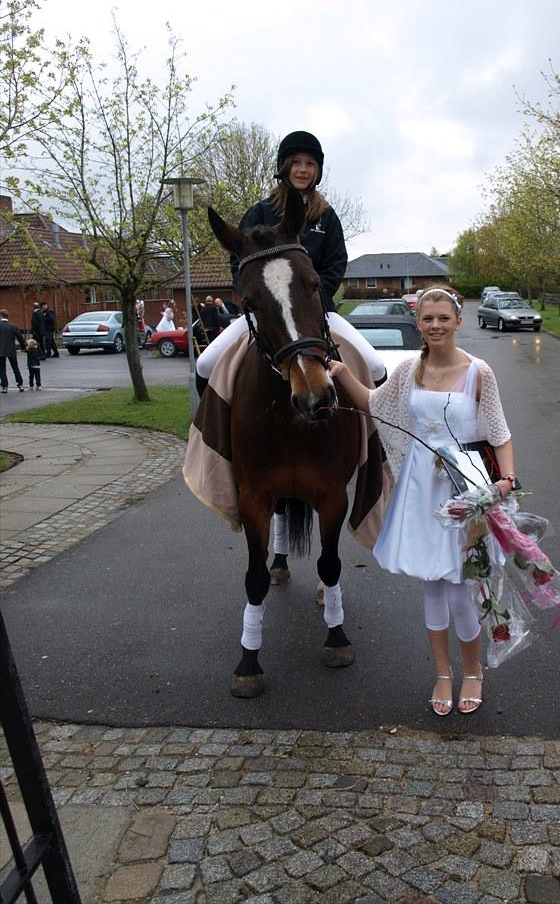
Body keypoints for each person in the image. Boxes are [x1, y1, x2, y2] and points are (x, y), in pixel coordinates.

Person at [330, 288, 515, 717]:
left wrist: (504, 481)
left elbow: (500, 433)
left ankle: (472, 671)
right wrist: (341, 373)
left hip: (463, 489)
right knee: (432, 585)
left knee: (460, 587)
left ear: (457, 321)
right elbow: (375, 406)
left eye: (443, 318)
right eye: (428, 318)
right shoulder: (409, 371)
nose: (435, 325)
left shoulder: (479, 373)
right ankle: (442, 673)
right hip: (420, 491)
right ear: (418, 323)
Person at [195, 130, 386, 387]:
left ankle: (373, 426)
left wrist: (317, 298)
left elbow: (336, 262)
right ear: (284, 167)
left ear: (318, 170)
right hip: (266, 312)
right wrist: (253, 298)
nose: (303, 170)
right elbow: (238, 262)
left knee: (375, 366)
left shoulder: (327, 217)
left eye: (310, 164)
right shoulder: (260, 212)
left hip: (318, 311)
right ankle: (210, 428)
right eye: (296, 162)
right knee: (205, 365)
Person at [0, 309, 27, 392]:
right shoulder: (13, 326)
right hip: (11, 349)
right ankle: (20, 384)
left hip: (1, 349)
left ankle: (5, 386)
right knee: (15, 367)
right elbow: (20, 338)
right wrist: (23, 346)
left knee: (2, 369)